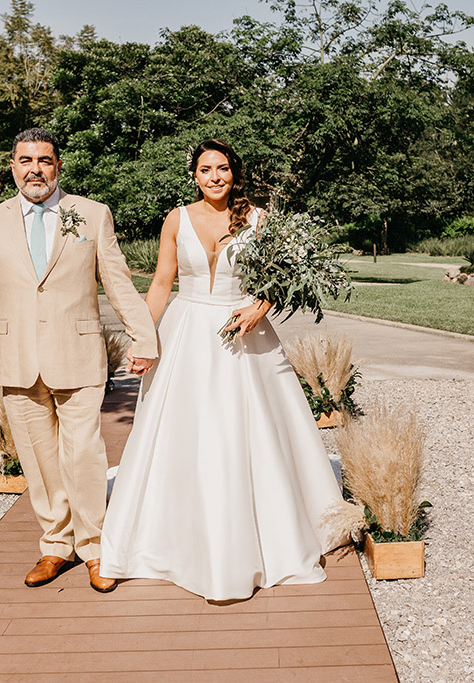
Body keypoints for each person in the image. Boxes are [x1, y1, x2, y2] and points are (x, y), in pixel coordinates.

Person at [100, 139, 345, 602]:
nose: (215, 177)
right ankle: (175, 539)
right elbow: (161, 283)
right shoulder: (176, 219)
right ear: (194, 175)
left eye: (223, 168)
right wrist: (143, 338)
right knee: (184, 430)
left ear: (235, 173)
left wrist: (260, 307)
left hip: (243, 331)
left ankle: (262, 536)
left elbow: (281, 278)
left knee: (245, 429)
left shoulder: (258, 219)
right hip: (187, 331)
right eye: (206, 169)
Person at [0, 127, 158, 593]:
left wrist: (143, 338)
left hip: (78, 355)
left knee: (84, 455)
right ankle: (56, 546)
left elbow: (118, 282)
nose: (35, 169)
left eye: (44, 160)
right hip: (16, 359)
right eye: (26, 160)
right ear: (12, 167)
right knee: (39, 461)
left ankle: (95, 547)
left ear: (58, 166)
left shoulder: (92, 214)